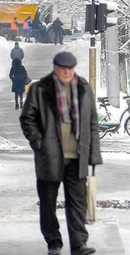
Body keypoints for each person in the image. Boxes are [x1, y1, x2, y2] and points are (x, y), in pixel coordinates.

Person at [19, 51, 102, 255]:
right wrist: (39, 143)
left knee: (77, 203)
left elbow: (92, 122)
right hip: (50, 156)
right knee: (48, 203)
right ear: (56, 68)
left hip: (77, 157)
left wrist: (94, 154)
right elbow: (27, 119)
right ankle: (54, 243)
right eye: (63, 68)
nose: (66, 72)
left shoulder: (83, 88)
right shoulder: (40, 89)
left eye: (70, 68)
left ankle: (79, 244)